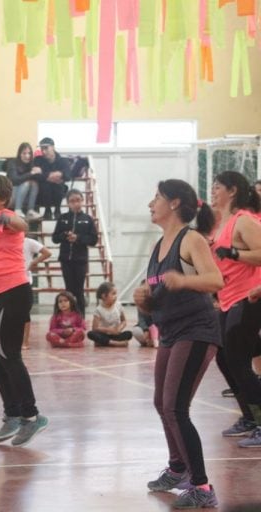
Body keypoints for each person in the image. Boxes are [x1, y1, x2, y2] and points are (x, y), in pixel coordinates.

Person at [133, 178, 222, 509]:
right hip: (170, 331)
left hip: (196, 330)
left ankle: (201, 486)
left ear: (173, 204)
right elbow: (157, 297)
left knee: (175, 406)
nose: (150, 203)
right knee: (161, 402)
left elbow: (215, 280)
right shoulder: (158, 247)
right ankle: (177, 468)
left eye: (156, 197)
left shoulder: (191, 239)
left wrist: (183, 279)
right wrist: (144, 298)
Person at [0, 174, 49, 446]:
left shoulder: (4, 217)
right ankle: (12, 414)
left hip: (11, 292)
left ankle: (31, 415)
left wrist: (8, 219)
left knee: (8, 353)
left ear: (3, 198)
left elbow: (22, 223)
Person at [208, 171, 261, 447]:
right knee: (225, 359)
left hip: (248, 299)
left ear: (232, 191)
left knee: (237, 360)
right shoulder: (222, 224)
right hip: (228, 300)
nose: (213, 190)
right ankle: (250, 417)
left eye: (218, 187)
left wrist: (235, 254)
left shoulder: (244, 220)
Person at [51, 189, 98, 316]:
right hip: (65, 260)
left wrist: (78, 238)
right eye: (72, 201)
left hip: (80, 260)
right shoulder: (62, 218)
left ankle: (81, 317)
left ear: (82, 201)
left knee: (79, 290)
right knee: (69, 290)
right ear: (68, 203)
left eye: (78, 200)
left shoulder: (88, 219)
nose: (75, 203)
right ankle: (68, 317)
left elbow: (93, 240)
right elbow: (55, 238)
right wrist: (65, 235)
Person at [22, 236, 51, 350]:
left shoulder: (28, 242)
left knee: (24, 313)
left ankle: (25, 342)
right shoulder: (4, 241)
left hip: (24, 280)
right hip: (8, 280)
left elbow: (47, 253)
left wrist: (33, 262)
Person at [34, 137, 71, 220]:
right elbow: (35, 175)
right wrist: (52, 176)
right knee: (46, 184)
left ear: (53, 147)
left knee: (59, 184)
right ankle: (48, 210)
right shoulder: (38, 160)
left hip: (57, 192)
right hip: (42, 193)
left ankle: (57, 210)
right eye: (42, 149)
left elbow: (68, 176)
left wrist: (44, 174)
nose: (43, 151)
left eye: (46, 148)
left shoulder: (63, 161)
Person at [4, 142, 43, 220]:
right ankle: (17, 210)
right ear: (19, 154)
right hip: (10, 196)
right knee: (26, 183)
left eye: (29, 153)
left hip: (25, 197)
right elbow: (14, 180)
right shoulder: (12, 163)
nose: (27, 156)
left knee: (34, 184)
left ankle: (30, 211)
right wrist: (31, 173)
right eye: (24, 153)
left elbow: (39, 180)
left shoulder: (32, 163)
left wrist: (40, 172)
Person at [87, 282, 133, 347]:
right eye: (113, 294)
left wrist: (118, 329)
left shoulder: (118, 305)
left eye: (116, 294)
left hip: (116, 335)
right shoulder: (98, 310)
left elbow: (124, 321)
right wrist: (109, 330)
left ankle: (105, 342)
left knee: (129, 333)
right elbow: (95, 328)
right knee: (91, 334)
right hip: (104, 334)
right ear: (104, 296)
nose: (116, 296)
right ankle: (115, 343)